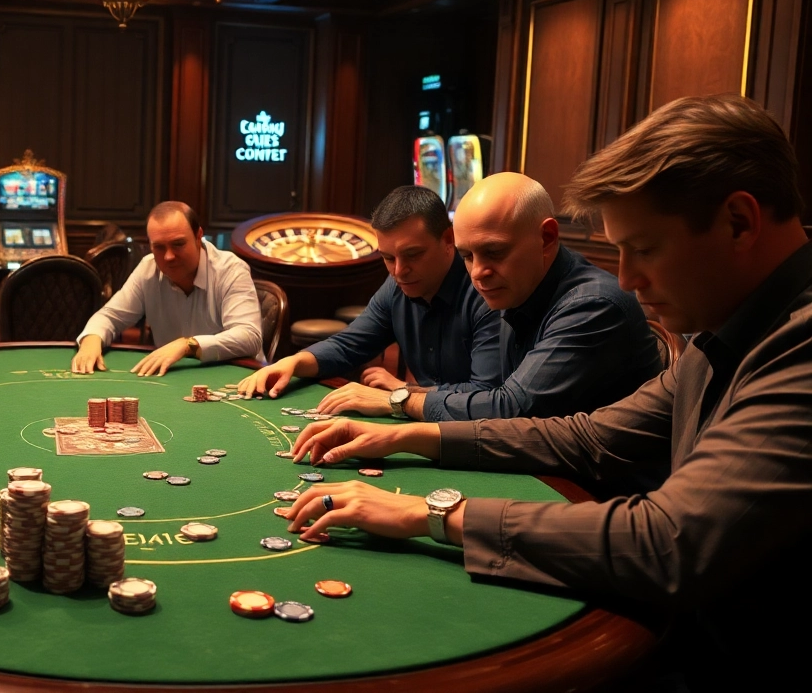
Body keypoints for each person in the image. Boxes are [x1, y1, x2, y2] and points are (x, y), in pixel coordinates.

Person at [284, 94, 810, 686]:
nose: (629, 279)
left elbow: (667, 543)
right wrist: (410, 434)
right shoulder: (725, 330)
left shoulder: (800, 348)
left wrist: (429, 513)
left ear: (739, 221)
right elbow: (588, 436)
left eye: (644, 248)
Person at [311, 173, 662, 421]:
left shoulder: (592, 303)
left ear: (547, 238)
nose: (478, 273)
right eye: (468, 256)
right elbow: (499, 407)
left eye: (494, 252)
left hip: (600, 497)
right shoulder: (514, 289)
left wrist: (398, 399)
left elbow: (508, 407)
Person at [237, 186, 501, 409]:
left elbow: (484, 397)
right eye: (388, 258)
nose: (399, 271)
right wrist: (292, 362)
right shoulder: (397, 286)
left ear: (448, 239)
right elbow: (347, 346)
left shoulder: (485, 290)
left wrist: (401, 394)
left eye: (413, 255)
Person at [71, 201, 263, 376]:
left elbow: (249, 336)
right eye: (159, 247)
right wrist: (91, 340)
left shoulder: (231, 270)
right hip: (175, 378)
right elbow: (110, 316)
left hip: (235, 376)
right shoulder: (148, 269)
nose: (169, 256)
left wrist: (188, 345)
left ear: (198, 236)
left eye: (178, 244)